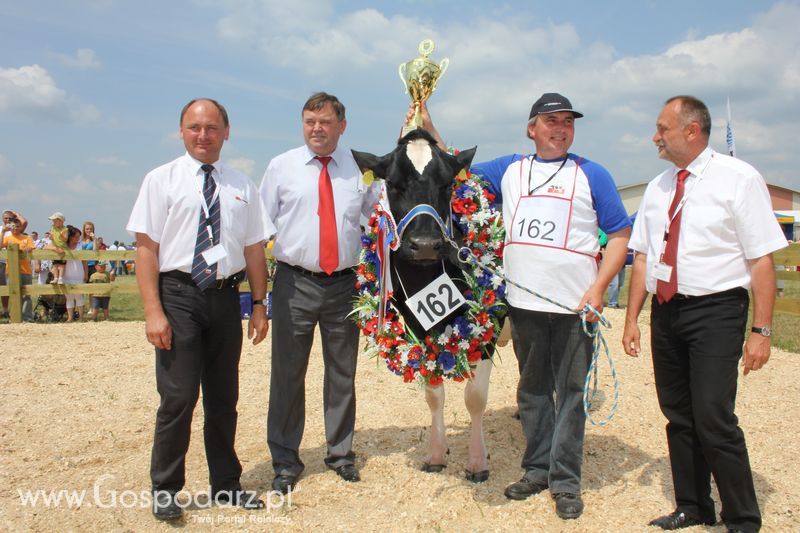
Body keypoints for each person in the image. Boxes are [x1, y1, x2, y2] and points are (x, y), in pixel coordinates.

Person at [417, 93, 631, 520]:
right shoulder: (510, 169)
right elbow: (453, 168)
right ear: (532, 128)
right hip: (524, 304)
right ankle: (536, 470)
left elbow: (620, 234)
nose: (561, 128)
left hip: (575, 307)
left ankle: (566, 481)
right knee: (532, 391)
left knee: (570, 394)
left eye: (568, 121)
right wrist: (426, 121)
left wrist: (600, 289)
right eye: (551, 121)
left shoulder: (593, 174)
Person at [622, 96, 786, 533]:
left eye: (663, 128)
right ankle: (693, 505)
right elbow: (641, 258)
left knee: (714, 415)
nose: (655, 137)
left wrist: (762, 330)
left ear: (692, 130)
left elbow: (762, 261)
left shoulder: (738, 179)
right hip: (666, 311)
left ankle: (742, 517)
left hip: (716, 310)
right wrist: (632, 318)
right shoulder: (659, 186)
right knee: (677, 413)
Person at [126, 97, 272, 521]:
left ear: (227, 132)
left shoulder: (243, 185)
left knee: (224, 398)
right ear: (181, 132)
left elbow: (254, 249)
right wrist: (153, 311)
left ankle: (226, 484)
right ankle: (166, 487)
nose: (203, 135)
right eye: (194, 127)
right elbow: (146, 249)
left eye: (211, 128)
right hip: (178, 296)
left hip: (226, 298)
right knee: (178, 396)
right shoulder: (161, 180)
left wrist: (260, 304)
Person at [258, 91, 381, 494]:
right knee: (288, 375)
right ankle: (285, 461)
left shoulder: (360, 169)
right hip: (295, 282)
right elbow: (261, 226)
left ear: (341, 126)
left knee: (342, 373)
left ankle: (341, 454)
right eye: (310, 121)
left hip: (345, 284)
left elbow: (378, 217)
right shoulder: (282, 167)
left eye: (325, 122)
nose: (317, 129)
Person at [2, 215, 35, 322]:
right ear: (11, 227)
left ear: (21, 227)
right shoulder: (7, 238)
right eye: (14, 226)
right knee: (13, 293)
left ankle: (27, 318)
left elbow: (33, 248)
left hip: (25, 270)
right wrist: (3, 231)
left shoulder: (27, 238)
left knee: (27, 294)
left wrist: (29, 248)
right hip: (10, 270)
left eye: (17, 226)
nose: (15, 228)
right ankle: (15, 317)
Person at [62, 225, 88, 322]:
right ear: (70, 236)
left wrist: (86, 274)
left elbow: (84, 261)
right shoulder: (64, 246)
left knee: (79, 296)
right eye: (76, 236)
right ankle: (70, 317)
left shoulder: (80, 246)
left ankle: (81, 317)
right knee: (69, 297)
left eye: (79, 236)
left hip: (78, 273)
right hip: (66, 274)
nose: (78, 239)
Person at [45, 212, 69, 284]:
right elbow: (51, 238)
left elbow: (65, 239)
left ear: (61, 221)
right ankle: (55, 278)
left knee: (61, 265)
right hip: (55, 247)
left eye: (55, 221)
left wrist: (62, 236)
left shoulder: (65, 229)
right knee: (55, 265)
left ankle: (60, 278)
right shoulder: (53, 228)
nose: (53, 222)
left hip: (62, 248)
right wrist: (50, 237)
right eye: (53, 221)